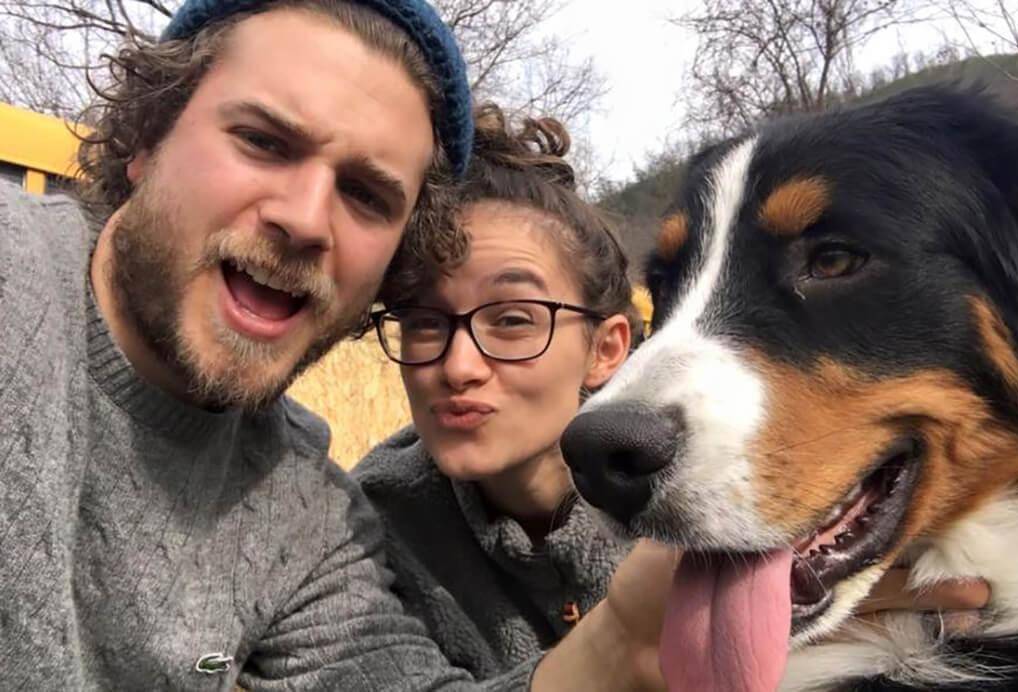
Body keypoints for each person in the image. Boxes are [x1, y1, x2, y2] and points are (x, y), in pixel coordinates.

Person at [0, 1, 676, 689]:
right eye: (263, 141)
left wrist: (623, 640)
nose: (304, 219)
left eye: (366, 194)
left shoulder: (304, 519)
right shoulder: (15, 273)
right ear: (149, 139)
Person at [354, 104, 994, 681]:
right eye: (422, 322)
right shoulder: (361, 534)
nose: (458, 365)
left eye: (515, 318)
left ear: (609, 347)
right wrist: (623, 640)